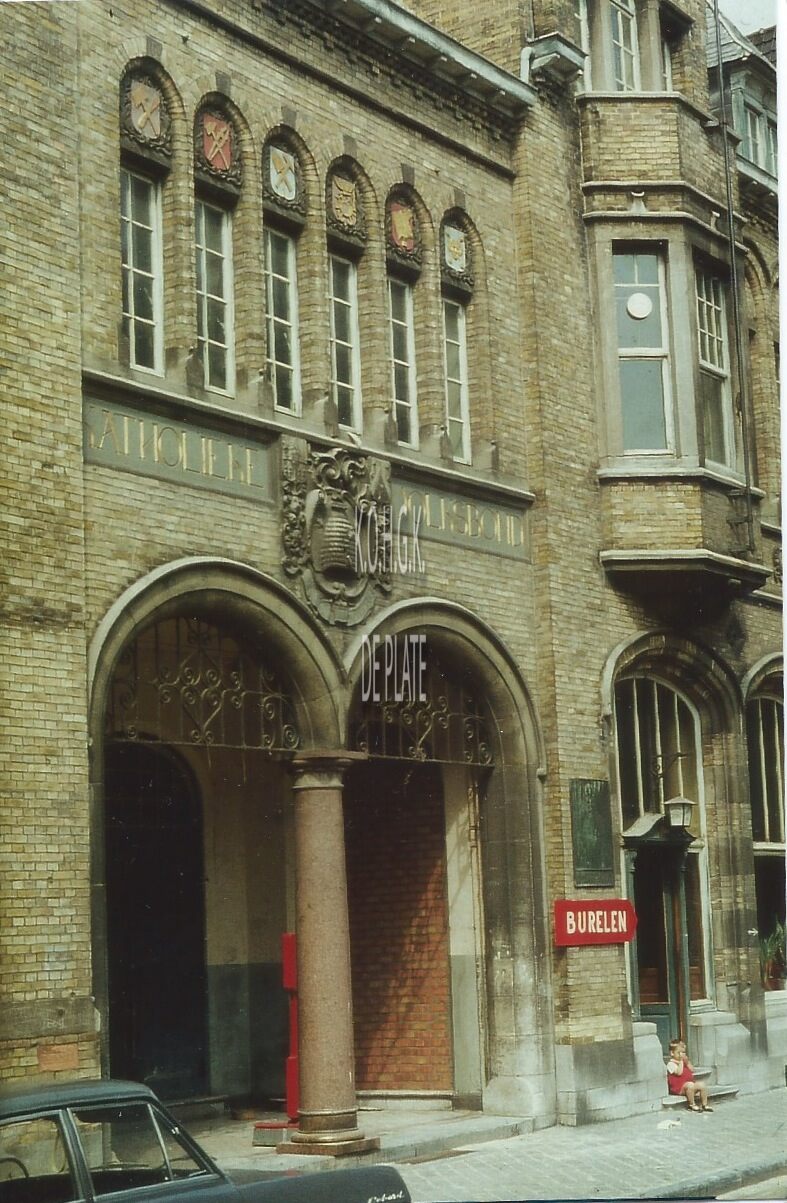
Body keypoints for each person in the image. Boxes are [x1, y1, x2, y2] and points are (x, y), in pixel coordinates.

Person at [666, 1039, 713, 1112]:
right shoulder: (671, 1064)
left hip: (690, 1086)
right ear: (672, 1053)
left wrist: (687, 1062)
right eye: (679, 1053)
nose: (681, 1055)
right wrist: (681, 1061)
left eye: (683, 1052)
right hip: (679, 1089)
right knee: (690, 1085)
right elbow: (679, 1072)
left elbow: (692, 1069)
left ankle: (704, 1104)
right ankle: (692, 1104)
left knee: (702, 1085)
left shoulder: (684, 1062)